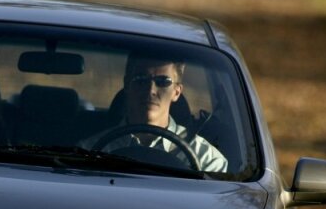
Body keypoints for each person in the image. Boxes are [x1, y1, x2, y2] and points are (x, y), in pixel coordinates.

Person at [85, 55, 227, 172]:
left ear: (177, 92)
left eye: (163, 81)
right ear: (127, 84)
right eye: (140, 80)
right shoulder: (89, 151)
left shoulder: (207, 161)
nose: (150, 90)